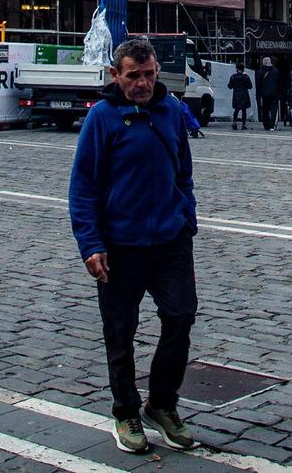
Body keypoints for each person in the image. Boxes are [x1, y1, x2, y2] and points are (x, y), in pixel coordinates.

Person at [67, 37, 200, 455]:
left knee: (180, 317)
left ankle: (161, 404)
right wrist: (90, 244)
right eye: (132, 76)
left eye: (148, 74)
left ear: (157, 71)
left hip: (170, 240)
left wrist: (187, 217)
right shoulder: (102, 118)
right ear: (115, 76)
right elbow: (83, 186)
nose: (142, 83)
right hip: (120, 245)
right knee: (120, 332)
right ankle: (125, 411)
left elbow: (183, 171)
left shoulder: (172, 111)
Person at [255, 56, 281, 132]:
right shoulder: (276, 71)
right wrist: (279, 93)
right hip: (274, 93)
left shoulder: (260, 72)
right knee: (274, 110)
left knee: (265, 110)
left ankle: (266, 125)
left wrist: (258, 95)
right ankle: (272, 125)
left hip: (264, 94)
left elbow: (258, 84)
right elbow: (279, 83)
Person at [227, 64, 252, 131]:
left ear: (236, 69)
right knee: (244, 110)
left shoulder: (233, 77)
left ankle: (234, 123)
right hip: (244, 94)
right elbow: (250, 86)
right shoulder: (246, 77)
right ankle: (244, 125)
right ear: (243, 69)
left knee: (236, 110)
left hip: (236, 95)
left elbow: (229, 86)